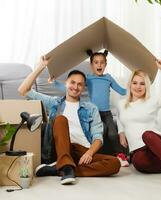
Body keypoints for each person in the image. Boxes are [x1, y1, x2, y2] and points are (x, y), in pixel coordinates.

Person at [18, 56, 121, 185]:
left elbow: (98, 137)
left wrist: (89, 153)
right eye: (72, 82)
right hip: (61, 149)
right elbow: (23, 90)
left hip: (82, 150)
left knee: (115, 163)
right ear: (66, 83)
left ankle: (61, 168)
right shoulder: (54, 102)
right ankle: (65, 164)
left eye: (80, 84)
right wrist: (40, 67)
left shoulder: (91, 108)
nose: (75, 87)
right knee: (60, 119)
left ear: (83, 88)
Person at [53, 50, 129, 167]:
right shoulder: (87, 79)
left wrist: (133, 88)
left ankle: (120, 155)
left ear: (105, 64)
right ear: (91, 65)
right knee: (100, 132)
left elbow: (122, 91)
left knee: (113, 133)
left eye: (102, 63)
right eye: (96, 62)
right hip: (93, 113)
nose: (99, 65)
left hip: (107, 113)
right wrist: (54, 82)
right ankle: (95, 156)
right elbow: (70, 88)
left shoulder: (108, 78)